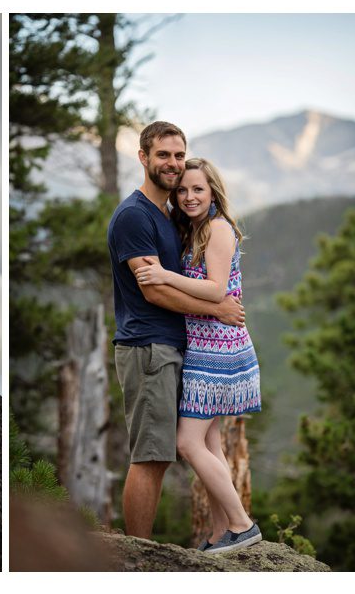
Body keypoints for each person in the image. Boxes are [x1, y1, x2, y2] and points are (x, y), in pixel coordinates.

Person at [106, 121, 246, 540]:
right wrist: (217, 308)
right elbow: (155, 294)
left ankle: (230, 533)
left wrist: (211, 305)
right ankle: (138, 554)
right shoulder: (133, 216)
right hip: (148, 347)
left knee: (198, 445)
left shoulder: (169, 216)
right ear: (143, 157)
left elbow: (172, 279)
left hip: (178, 348)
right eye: (163, 155)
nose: (172, 164)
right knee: (151, 456)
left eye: (178, 155)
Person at [133, 157, 262, 553]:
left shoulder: (219, 230)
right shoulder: (197, 230)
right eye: (183, 190)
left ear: (213, 192)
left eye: (198, 190)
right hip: (208, 347)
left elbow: (216, 290)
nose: (189, 197)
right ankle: (221, 533)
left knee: (187, 443)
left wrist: (165, 275)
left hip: (218, 351)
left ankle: (242, 524)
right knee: (210, 444)